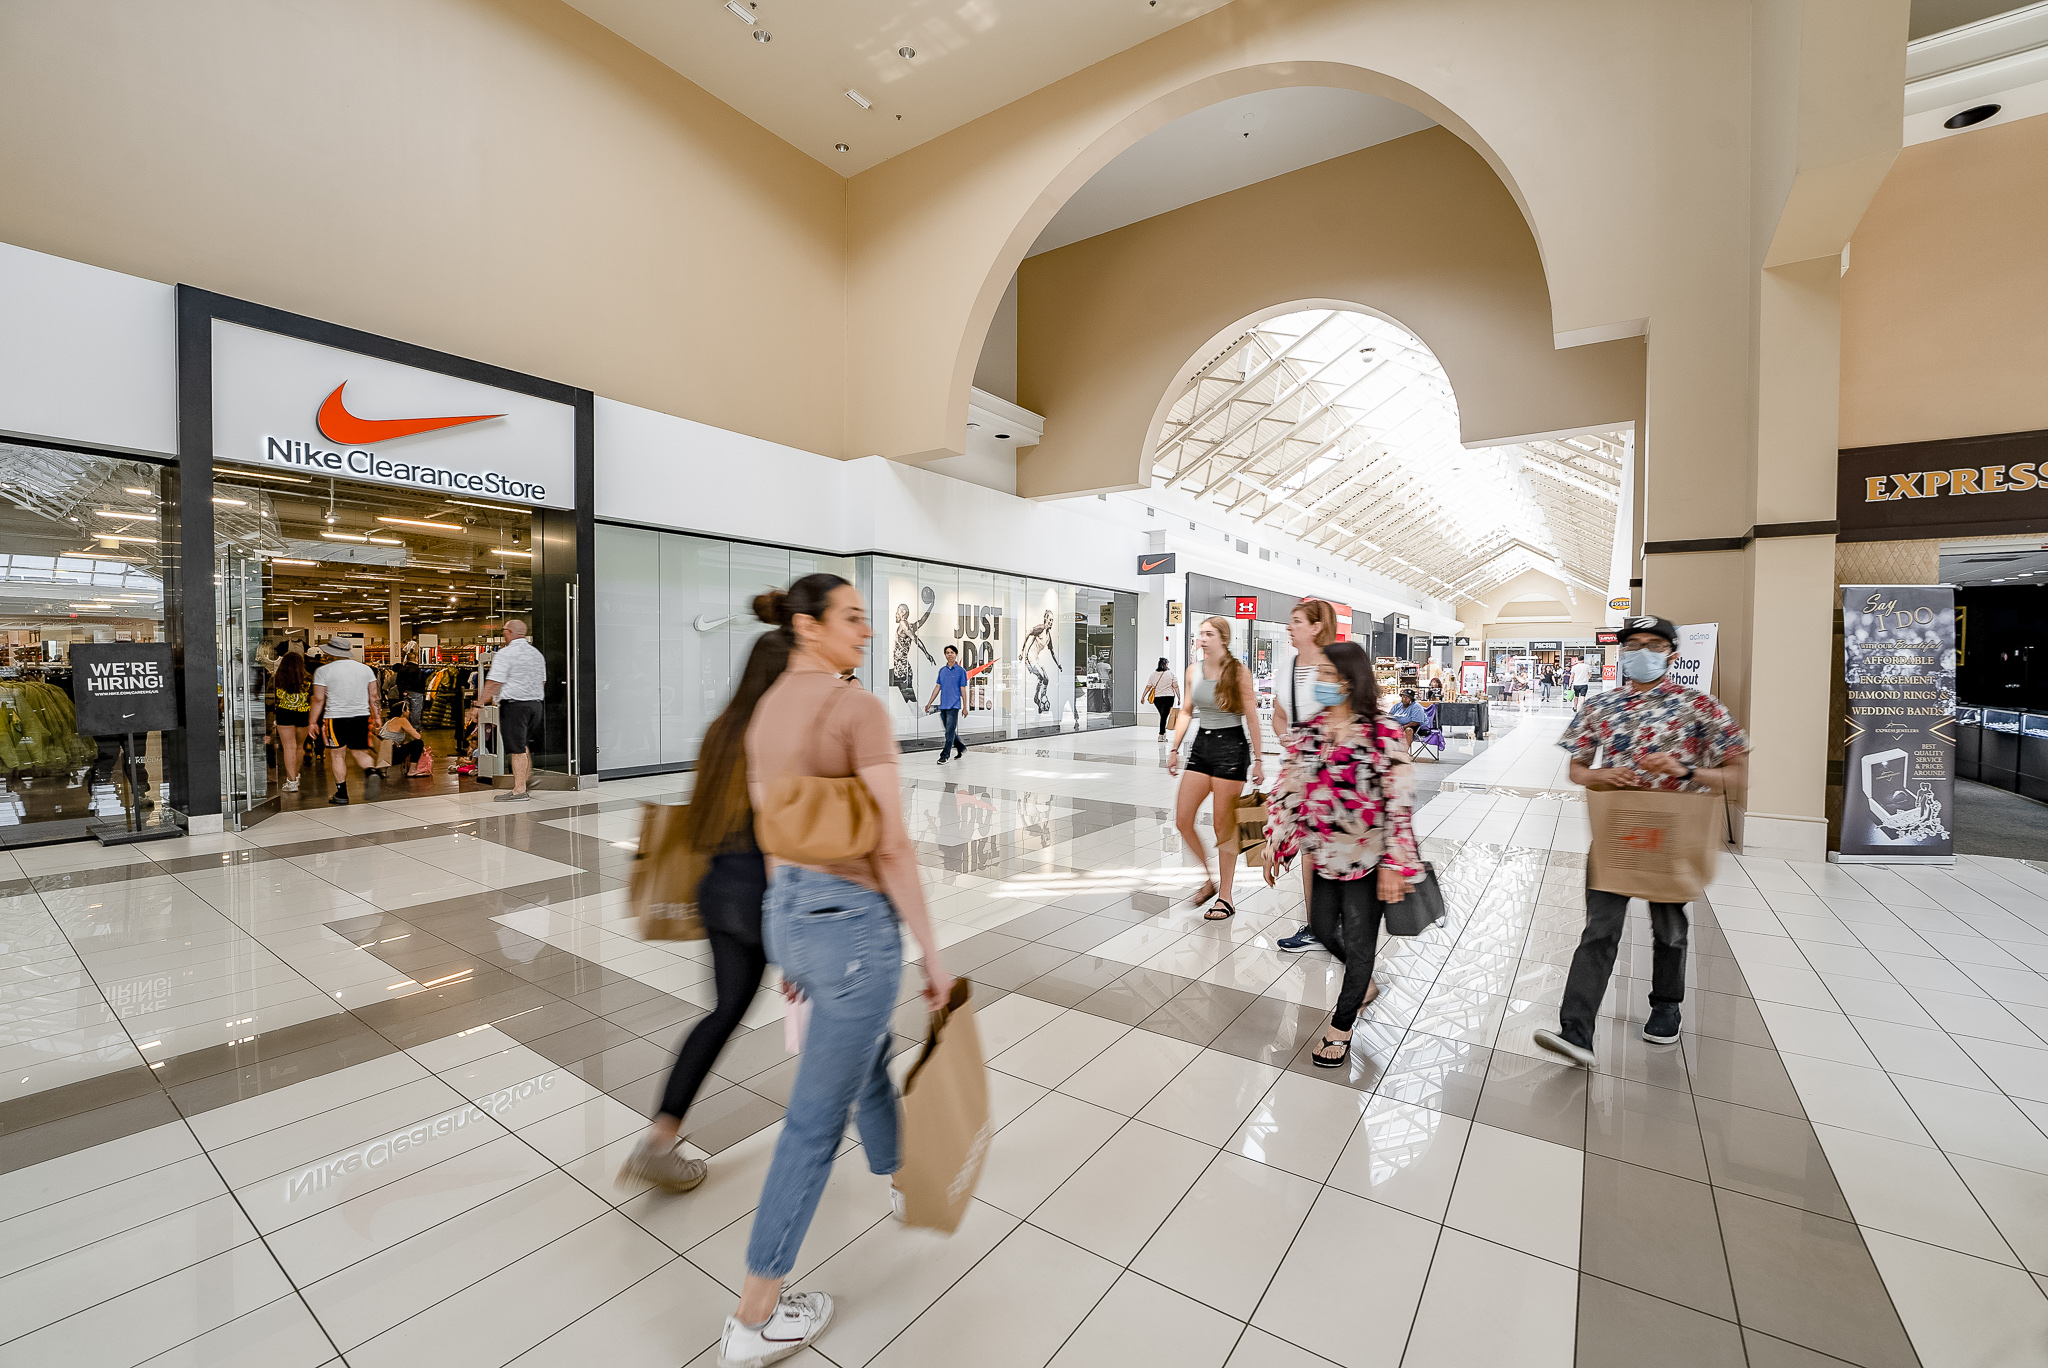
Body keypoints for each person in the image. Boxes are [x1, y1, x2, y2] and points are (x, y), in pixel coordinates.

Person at [719, 573, 953, 1368]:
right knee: (814, 1126)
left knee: (865, 1061)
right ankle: (754, 1319)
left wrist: (790, 940)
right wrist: (933, 955)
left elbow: (772, 832)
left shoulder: (765, 712)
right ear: (808, 626)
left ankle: (898, 1176)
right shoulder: (856, 708)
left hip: (793, 913)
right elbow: (890, 846)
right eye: (852, 618)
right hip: (854, 928)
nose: (867, 630)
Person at [1532, 615, 1749, 1067]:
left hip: (1674, 834)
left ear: (1672, 652)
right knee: (1599, 929)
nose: (1642, 652)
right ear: (1622, 652)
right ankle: (1576, 1031)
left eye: (1653, 644)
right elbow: (1577, 768)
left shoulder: (1701, 707)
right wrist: (1599, 774)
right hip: (1618, 833)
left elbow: (1737, 773)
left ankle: (1666, 1006)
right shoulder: (1601, 707)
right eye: (1633, 645)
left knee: (1670, 929)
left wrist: (1686, 771)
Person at [620, 627, 790, 1195]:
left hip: (718, 890)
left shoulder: (721, 729)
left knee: (723, 1013)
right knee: (836, 1017)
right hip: (765, 893)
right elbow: (781, 831)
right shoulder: (777, 732)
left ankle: (660, 1139)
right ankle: (878, 1149)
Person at [1263, 641, 1421, 1068]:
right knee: (1319, 924)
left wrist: (1394, 863)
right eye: (1320, 674)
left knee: (1359, 939)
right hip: (1325, 853)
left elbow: (1399, 801)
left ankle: (1342, 1026)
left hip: (1369, 858)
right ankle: (1362, 980)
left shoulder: (1381, 731)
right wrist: (1276, 840)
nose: (1321, 682)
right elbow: (1290, 788)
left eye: (1330, 675)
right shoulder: (1312, 729)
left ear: (1351, 682)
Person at [1166, 616, 1266, 921]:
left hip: (1231, 748)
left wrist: (1259, 758)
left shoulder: (1238, 673)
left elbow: (1251, 716)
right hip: (1202, 746)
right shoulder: (1192, 671)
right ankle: (1209, 880)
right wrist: (1174, 748)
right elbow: (1185, 711)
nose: (1202, 639)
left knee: (1223, 827)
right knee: (1183, 819)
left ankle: (1226, 897)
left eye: (1208, 634)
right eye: (1200, 634)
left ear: (1223, 638)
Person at [1272, 600, 1337, 953]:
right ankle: (1317, 925)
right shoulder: (1287, 667)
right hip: (1299, 768)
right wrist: (1288, 739)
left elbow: (1345, 717)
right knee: (1311, 847)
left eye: (1296, 621)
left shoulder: (1332, 667)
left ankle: (1326, 924)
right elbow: (1279, 715)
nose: (1288, 626)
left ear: (1315, 627)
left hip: (1331, 770)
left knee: (1323, 847)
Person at [477, 618, 546, 802]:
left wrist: (479, 704)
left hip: (515, 706)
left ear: (508, 632)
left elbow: (493, 682)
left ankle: (519, 790)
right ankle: (525, 779)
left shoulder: (505, 654)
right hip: (536, 705)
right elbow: (542, 681)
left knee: (517, 748)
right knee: (522, 744)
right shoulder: (536, 654)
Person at [307, 640, 380, 806]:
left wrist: (312, 722)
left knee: (337, 755)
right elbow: (374, 696)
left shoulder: (323, 671)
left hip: (335, 718)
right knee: (360, 752)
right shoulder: (366, 669)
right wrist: (377, 717)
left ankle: (342, 794)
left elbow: (318, 699)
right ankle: (371, 772)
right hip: (361, 716)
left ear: (331, 651)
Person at [271, 646, 312, 794]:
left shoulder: (278, 678)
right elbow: (312, 700)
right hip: (303, 714)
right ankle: (295, 776)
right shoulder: (308, 679)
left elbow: (272, 698)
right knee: (299, 746)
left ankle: (291, 780)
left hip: (284, 715)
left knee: (289, 747)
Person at [923, 644, 969, 763]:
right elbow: (938, 687)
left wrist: (965, 707)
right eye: (947, 652)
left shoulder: (961, 671)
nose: (950, 655)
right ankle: (960, 747)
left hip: (954, 706)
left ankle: (945, 755)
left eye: (952, 652)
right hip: (943, 705)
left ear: (956, 654)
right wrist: (929, 703)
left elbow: (963, 689)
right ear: (945, 655)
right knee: (950, 730)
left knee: (949, 731)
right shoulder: (942, 671)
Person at [376, 711, 427, 778]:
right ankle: (412, 770)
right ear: (403, 711)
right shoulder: (402, 720)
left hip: (382, 755)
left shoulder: (389, 721)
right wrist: (411, 730)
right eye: (407, 709)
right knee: (418, 743)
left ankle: (383, 770)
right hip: (392, 755)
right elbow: (418, 736)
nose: (409, 711)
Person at [1143, 656, 1178, 738]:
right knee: (1164, 715)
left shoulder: (1153, 674)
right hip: (1169, 697)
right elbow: (1176, 686)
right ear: (1166, 664)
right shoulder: (1171, 674)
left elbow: (1148, 686)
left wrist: (1143, 696)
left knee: (1163, 715)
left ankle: (1163, 733)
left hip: (1157, 698)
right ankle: (1161, 734)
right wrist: (1179, 697)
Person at [395, 655, 427, 727]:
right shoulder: (417, 670)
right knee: (416, 710)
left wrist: (402, 690)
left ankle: (405, 726)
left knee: (405, 709)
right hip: (416, 691)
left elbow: (398, 681)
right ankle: (415, 727)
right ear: (416, 658)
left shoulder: (402, 669)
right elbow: (420, 681)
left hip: (404, 691)